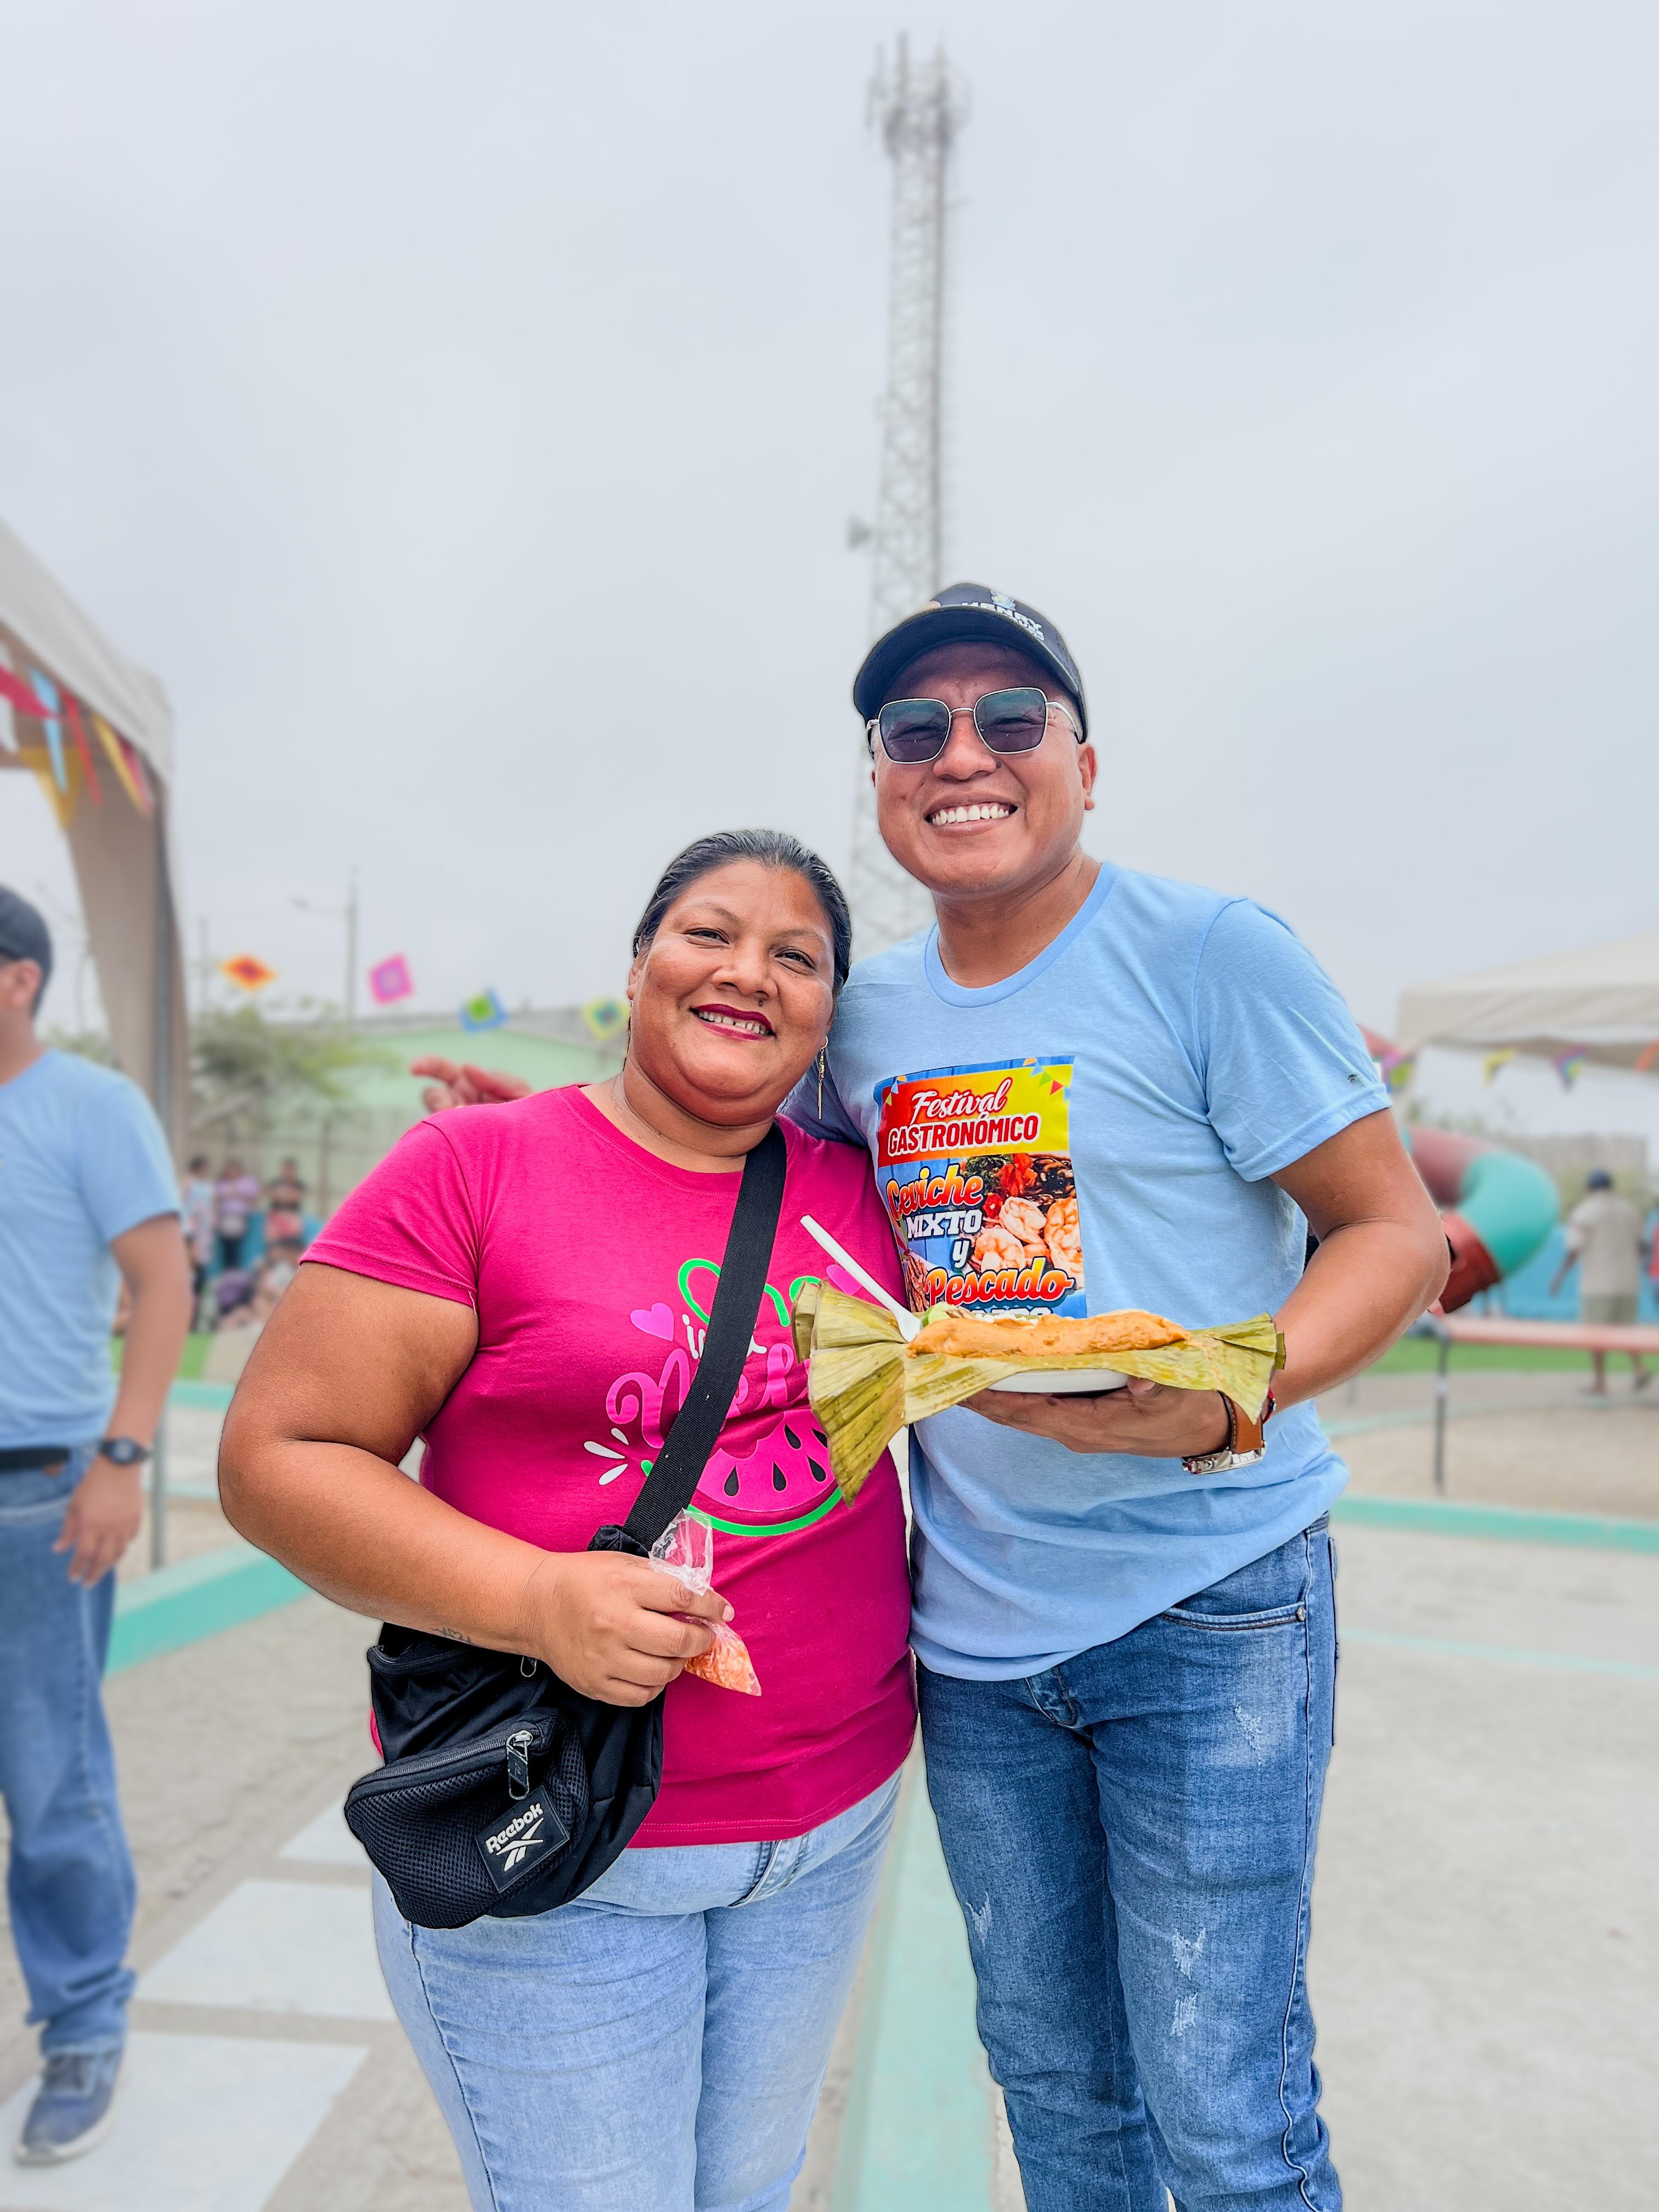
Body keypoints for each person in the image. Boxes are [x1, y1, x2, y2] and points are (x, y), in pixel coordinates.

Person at [415, 586, 1449, 2211]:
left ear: (1083, 765)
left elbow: (1392, 1232)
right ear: (884, 779)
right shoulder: (872, 1013)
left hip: (1214, 1603)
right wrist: (558, 1130)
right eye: (917, 729)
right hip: (971, 1634)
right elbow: (744, 1144)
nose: (963, 754)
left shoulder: (1212, 953)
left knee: (1224, 2113)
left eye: (1009, 719)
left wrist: (1232, 1393)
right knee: (1051, 2082)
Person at [219, 832, 915, 2212]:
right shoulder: (474, 1167)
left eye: (797, 956)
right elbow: (279, 1459)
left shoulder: (868, 1192)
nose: (749, 972)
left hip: (828, 1833)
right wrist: (540, 1603)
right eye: (709, 933)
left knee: (751, 2194)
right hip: (562, 1837)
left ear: (831, 1015)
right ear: (640, 965)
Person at [0, 887, 193, 2166]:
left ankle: (82, 2024)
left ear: (18, 978)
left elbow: (163, 1282)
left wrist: (122, 1458)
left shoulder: (89, 1108)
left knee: (50, 1775)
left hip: (40, 1489)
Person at [1550, 1167, 1650, 1393]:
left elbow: (1574, 1249)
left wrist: (1559, 1277)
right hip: (1628, 1283)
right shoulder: (1630, 1211)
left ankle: (1600, 1382)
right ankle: (1640, 1369)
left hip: (1598, 1284)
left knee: (1595, 1335)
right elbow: (1643, 1247)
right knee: (1628, 1331)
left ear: (1590, 1188)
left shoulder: (1585, 1212)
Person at [181, 1154, 216, 1322]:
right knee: (189, 1272)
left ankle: (194, 1317)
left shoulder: (208, 1185)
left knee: (200, 1276)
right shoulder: (189, 1182)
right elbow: (183, 1203)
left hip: (205, 1234)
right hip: (191, 1231)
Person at [212, 1155, 261, 1272]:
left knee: (237, 1247)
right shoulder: (222, 1183)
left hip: (240, 1218)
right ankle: (228, 1270)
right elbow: (216, 1197)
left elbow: (253, 1197)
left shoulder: (247, 1182)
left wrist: (237, 1193)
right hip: (225, 1218)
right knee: (226, 1247)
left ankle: (234, 1271)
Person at [263, 1156, 307, 1245]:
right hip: (276, 1215)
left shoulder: (299, 1184)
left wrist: (281, 1196)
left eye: (290, 1169)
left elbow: (296, 1197)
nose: (288, 1171)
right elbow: (269, 1193)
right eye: (286, 1169)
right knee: (274, 1242)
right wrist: (287, 1196)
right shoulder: (276, 1182)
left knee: (293, 1241)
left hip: (292, 1214)